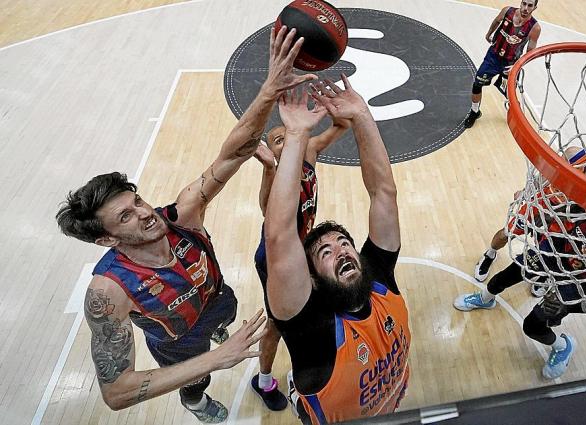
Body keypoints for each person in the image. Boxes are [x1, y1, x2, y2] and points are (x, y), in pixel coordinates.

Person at [55, 26, 316, 423]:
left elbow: (235, 153)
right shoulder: (109, 291)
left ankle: (216, 335)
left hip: (216, 300)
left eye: (137, 201)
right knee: (196, 381)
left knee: (225, 316)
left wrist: (269, 90)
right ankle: (195, 402)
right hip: (179, 343)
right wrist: (215, 359)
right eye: (126, 216)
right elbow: (117, 392)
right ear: (107, 238)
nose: (144, 212)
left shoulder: (182, 215)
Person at [263, 77, 411, 424]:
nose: (341, 250)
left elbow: (383, 193)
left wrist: (362, 114)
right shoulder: (312, 330)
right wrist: (297, 135)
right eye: (325, 253)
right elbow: (279, 236)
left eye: (344, 243)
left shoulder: (379, 279)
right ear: (311, 280)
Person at [455, 191, 586, 379]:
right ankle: (485, 300)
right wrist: (535, 213)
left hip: (578, 281)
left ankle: (563, 346)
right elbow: (558, 213)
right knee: (503, 278)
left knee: (532, 327)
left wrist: (568, 306)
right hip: (555, 252)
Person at [250, 118, 350, 410]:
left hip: (303, 251)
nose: (288, 141)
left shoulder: (308, 152)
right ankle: (264, 380)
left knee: (322, 302)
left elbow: (340, 126)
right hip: (275, 260)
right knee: (277, 325)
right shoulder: (277, 176)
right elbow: (266, 205)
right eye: (279, 141)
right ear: (271, 153)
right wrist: (269, 168)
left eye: (290, 136)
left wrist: (337, 113)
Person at [473, 129, 586, 296]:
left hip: (567, 225)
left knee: (546, 255)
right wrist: (526, 193)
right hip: (542, 204)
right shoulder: (574, 153)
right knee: (506, 233)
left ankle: (543, 277)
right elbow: (546, 174)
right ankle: (490, 253)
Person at [463, 0, 541, 128]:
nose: (526, 8)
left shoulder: (534, 27)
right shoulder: (507, 11)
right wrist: (489, 33)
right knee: (477, 84)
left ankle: (516, 118)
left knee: (510, 95)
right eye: (524, 3)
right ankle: (474, 112)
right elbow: (496, 21)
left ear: (535, 8)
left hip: (510, 64)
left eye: (530, 5)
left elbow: (530, 53)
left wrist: (517, 66)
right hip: (493, 57)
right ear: (521, 3)